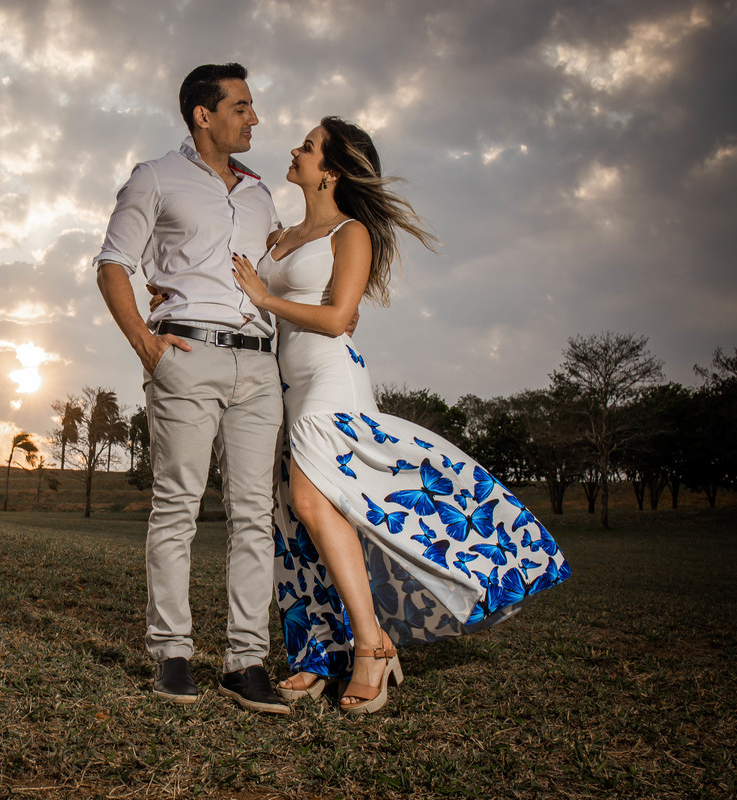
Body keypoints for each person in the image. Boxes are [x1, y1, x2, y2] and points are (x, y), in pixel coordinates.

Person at [230, 117, 571, 714]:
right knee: (304, 519)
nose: (295, 149)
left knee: (313, 504)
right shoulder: (282, 236)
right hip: (287, 383)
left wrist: (264, 296)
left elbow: (338, 317)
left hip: (332, 379)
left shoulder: (350, 231)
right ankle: (320, 654)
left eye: (308, 147)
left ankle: (372, 647)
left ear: (330, 169)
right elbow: (262, 301)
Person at [94, 63, 289, 715]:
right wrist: (147, 347)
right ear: (203, 115)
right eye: (240, 106)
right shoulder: (155, 177)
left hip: (259, 365)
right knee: (178, 504)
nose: (253, 117)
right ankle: (173, 655)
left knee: (255, 514)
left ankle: (246, 662)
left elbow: (277, 273)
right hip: (187, 355)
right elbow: (113, 263)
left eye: (253, 105)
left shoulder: (261, 194)